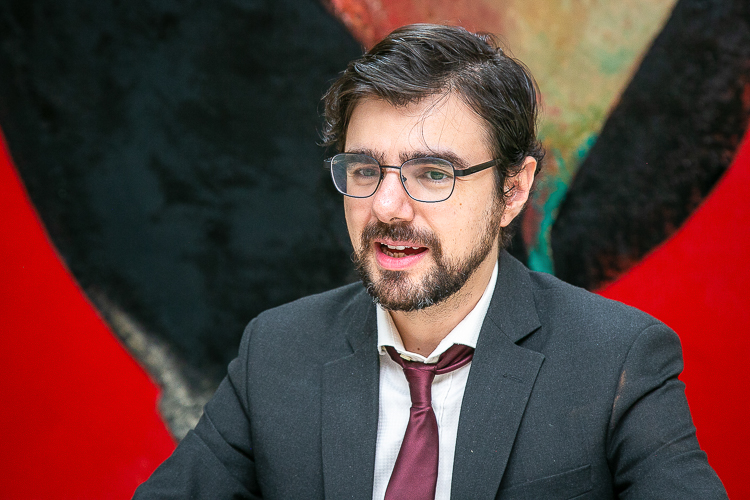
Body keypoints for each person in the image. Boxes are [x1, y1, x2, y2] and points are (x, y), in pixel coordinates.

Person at [134, 24, 727, 499]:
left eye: (433, 174)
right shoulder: (278, 351)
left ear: (513, 190)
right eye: (365, 170)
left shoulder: (617, 359)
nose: (387, 207)